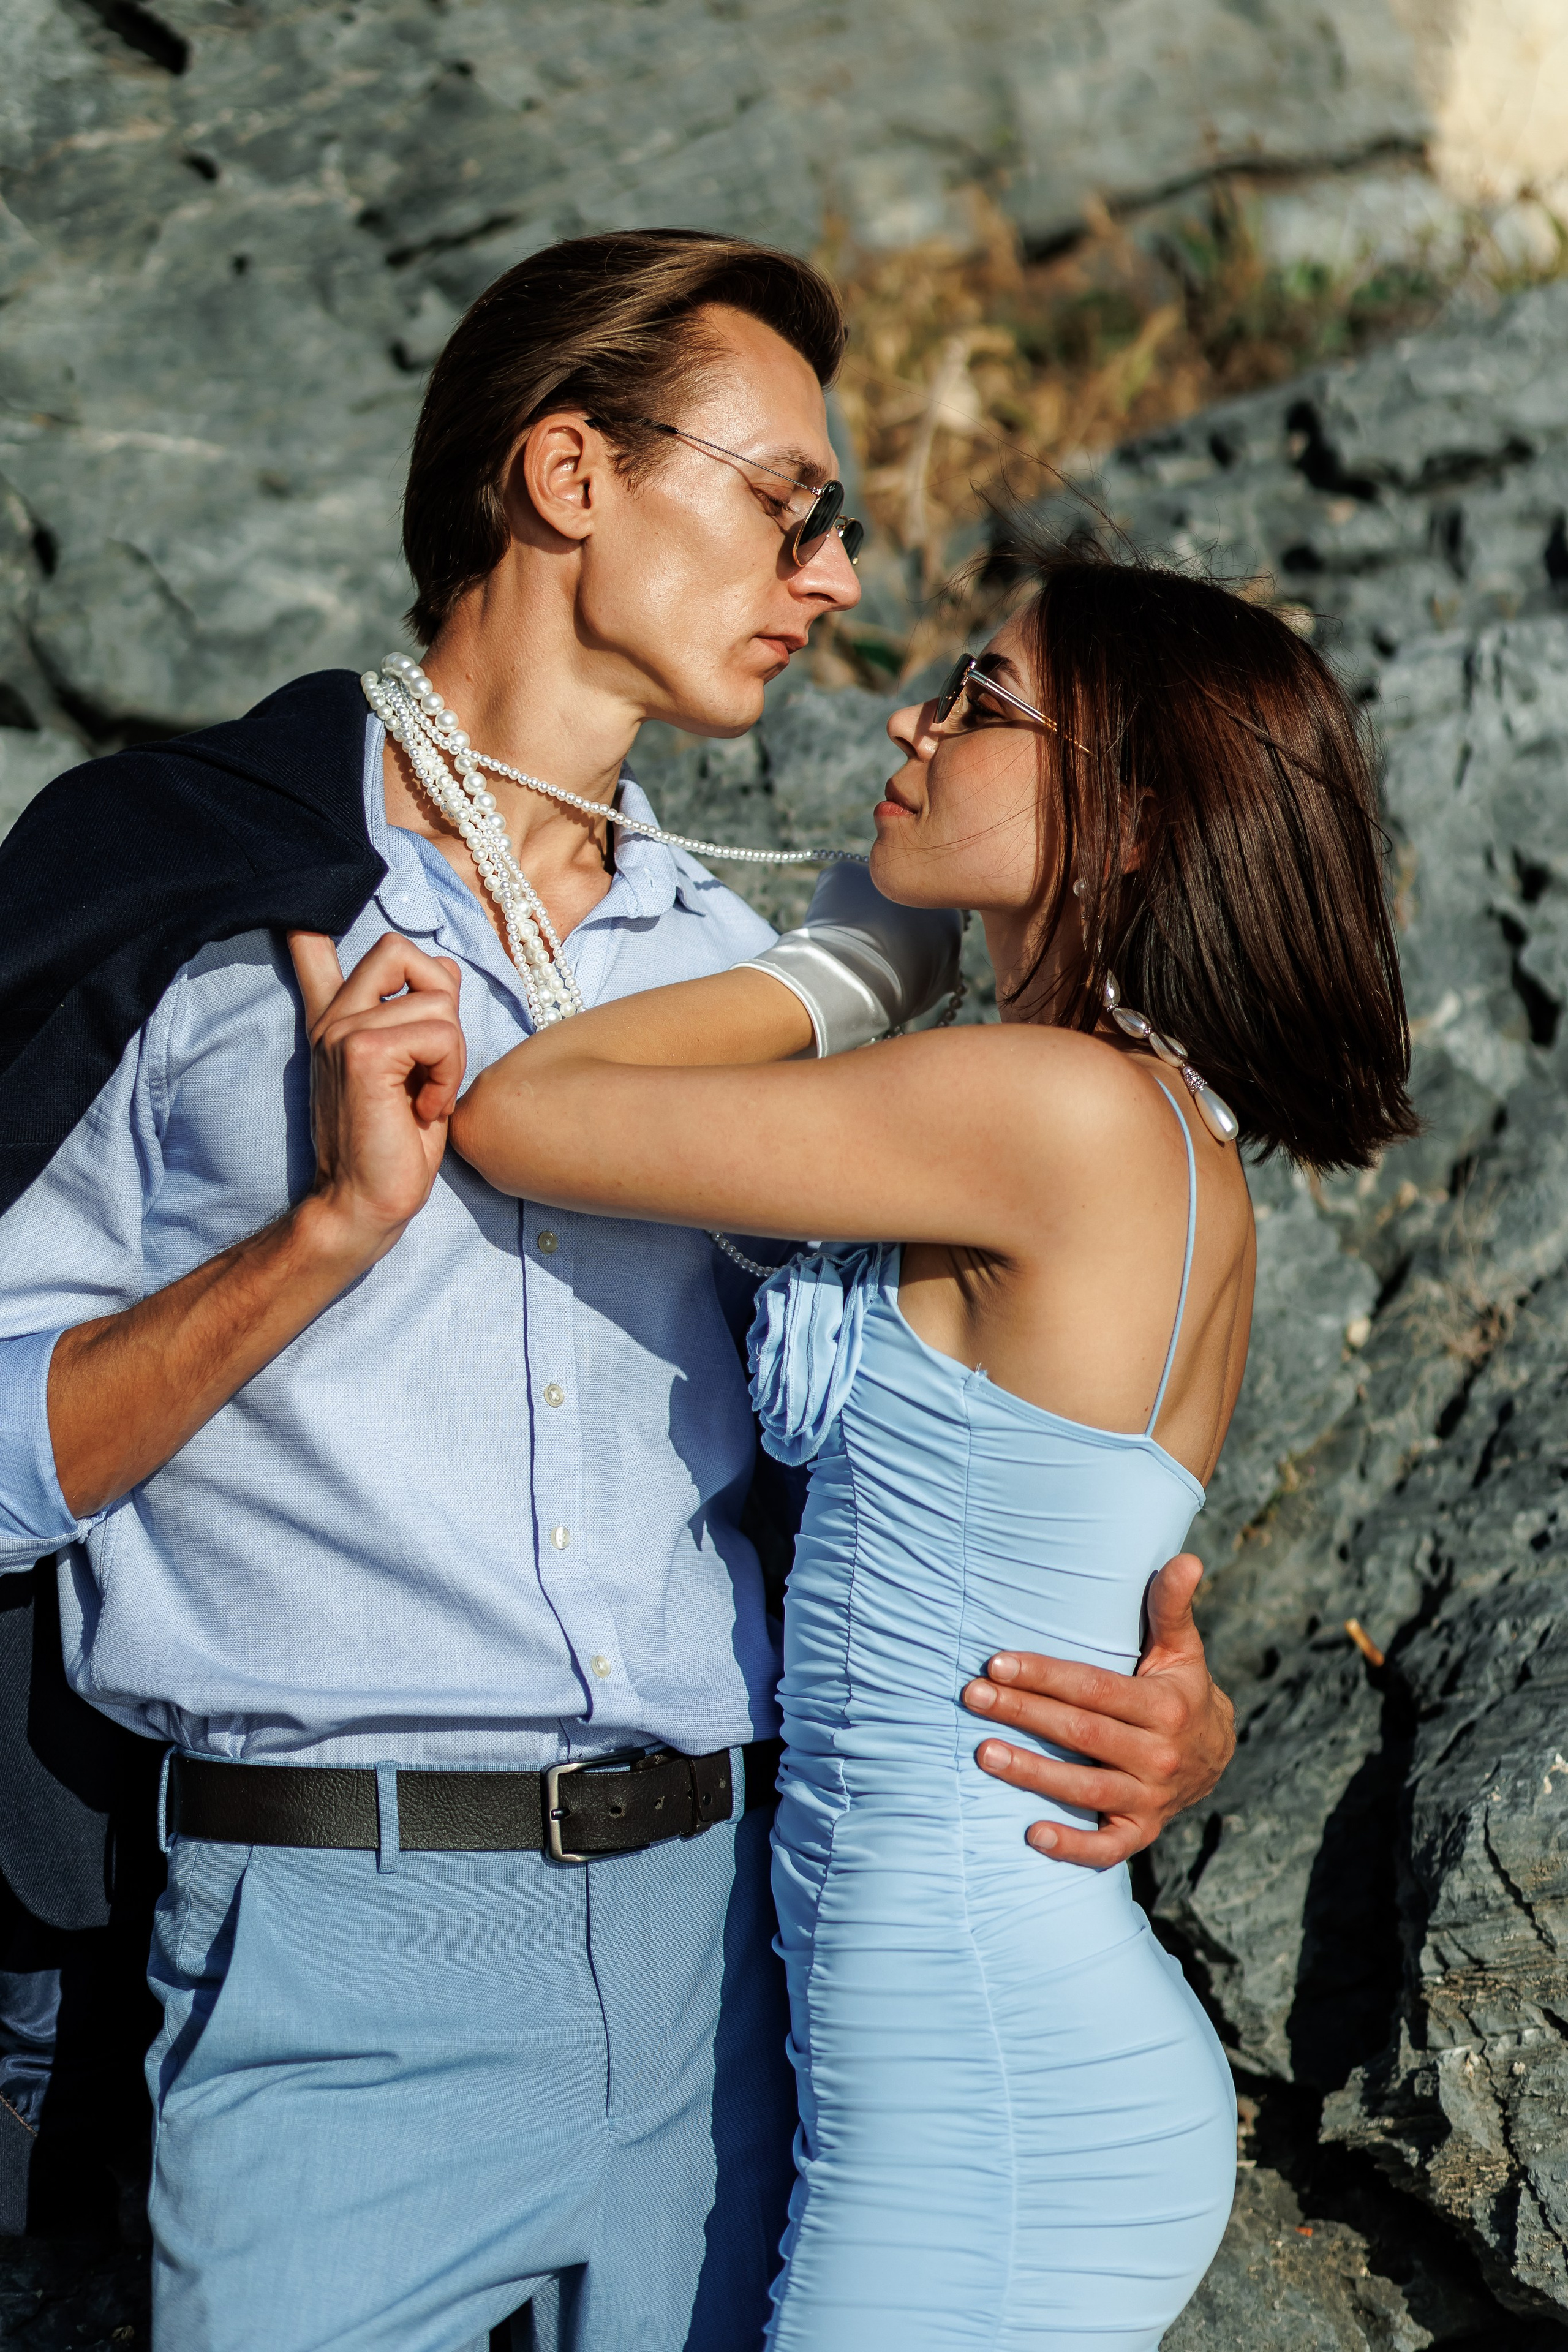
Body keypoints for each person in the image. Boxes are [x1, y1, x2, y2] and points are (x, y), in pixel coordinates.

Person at [0, 230, 1235, 2350]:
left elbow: (951, 1452)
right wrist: (315, 1245)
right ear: (570, 476)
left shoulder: (738, 997)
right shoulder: (193, 899)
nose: (837, 576)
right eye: (786, 503)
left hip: (740, 1984)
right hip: (322, 1964)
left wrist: (1156, 1691)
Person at [431, 546, 1419, 2348]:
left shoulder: (1049, 1110)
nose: (912, 718)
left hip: (991, 2075)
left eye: (982, 698)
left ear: (1126, 823)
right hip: (966, 2043)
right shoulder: (1132, 1118)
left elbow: (523, 1110)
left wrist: (845, 968)